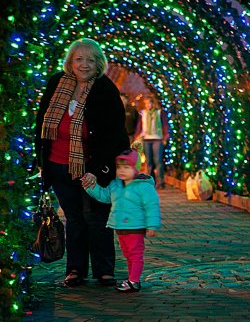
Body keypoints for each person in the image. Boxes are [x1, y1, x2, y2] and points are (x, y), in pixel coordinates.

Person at [35, 38, 129, 287]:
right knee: (74, 218)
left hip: (91, 168)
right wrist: (42, 161)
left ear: (98, 63)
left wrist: (98, 171)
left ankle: (104, 270)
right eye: (79, 59)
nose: (84, 64)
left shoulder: (104, 89)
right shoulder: (57, 83)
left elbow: (115, 134)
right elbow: (41, 123)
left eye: (90, 59)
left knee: (96, 218)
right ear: (70, 62)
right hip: (58, 164)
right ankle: (75, 270)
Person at [81, 142, 161, 293]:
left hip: (135, 227)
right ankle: (132, 279)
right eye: (119, 167)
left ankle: (134, 281)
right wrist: (90, 187)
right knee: (128, 254)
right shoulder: (115, 185)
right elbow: (104, 196)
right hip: (121, 228)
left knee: (135, 254)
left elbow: (152, 206)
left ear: (135, 168)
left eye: (127, 167)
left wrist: (152, 225)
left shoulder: (143, 186)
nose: (122, 171)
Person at [135, 96, 169, 189]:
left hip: (157, 138)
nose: (148, 105)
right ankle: (151, 181)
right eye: (146, 103)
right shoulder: (143, 113)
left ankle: (161, 181)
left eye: (149, 103)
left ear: (153, 104)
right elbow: (140, 126)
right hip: (146, 139)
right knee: (149, 161)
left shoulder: (159, 113)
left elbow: (165, 124)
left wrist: (165, 136)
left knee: (158, 160)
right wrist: (137, 136)